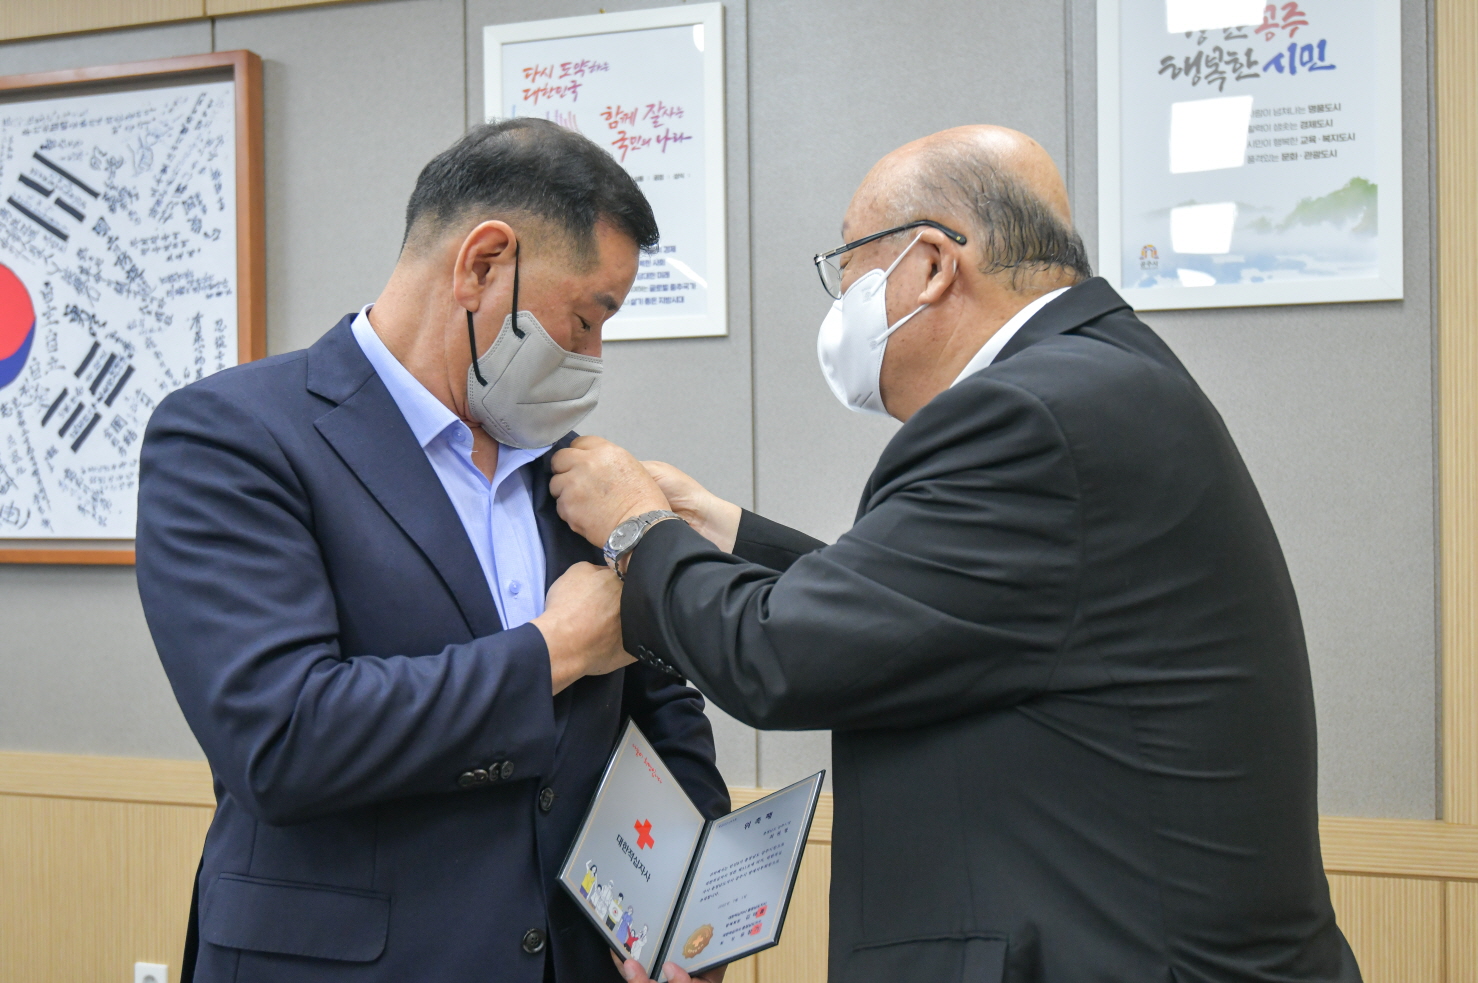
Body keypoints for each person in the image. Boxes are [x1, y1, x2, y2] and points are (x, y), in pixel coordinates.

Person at [550, 125, 1362, 983]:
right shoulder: (1097, 379)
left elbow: (779, 658)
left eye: (849, 268)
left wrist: (637, 526)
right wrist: (723, 529)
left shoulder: (1030, 416)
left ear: (934, 263)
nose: (841, 304)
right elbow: (929, 615)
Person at [135, 118, 729, 983]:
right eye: (585, 318)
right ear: (482, 265)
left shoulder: (572, 473)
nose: (594, 356)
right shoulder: (233, 436)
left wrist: (685, 895)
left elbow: (662, 704)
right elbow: (283, 737)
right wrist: (553, 650)